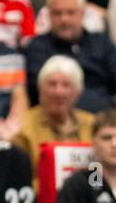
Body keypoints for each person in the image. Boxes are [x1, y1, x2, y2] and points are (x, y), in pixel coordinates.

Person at [23, 0, 116, 113]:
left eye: (70, 12)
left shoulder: (102, 43)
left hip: (105, 122)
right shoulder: (37, 48)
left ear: (83, 13)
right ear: (48, 14)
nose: (64, 19)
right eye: (57, 13)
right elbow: (42, 91)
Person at [11, 53, 94, 192]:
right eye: (51, 84)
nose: (58, 92)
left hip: (89, 202)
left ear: (77, 92)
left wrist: (94, 190)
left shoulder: (93, 124)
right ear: (40, 89)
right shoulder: (23, 126)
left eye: (66, 85)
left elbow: (98, 169)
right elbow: (19, 180)